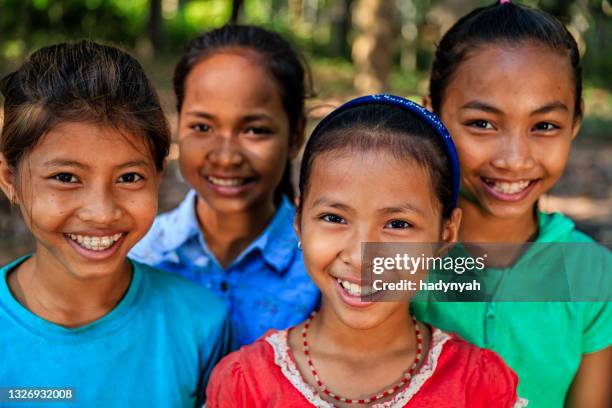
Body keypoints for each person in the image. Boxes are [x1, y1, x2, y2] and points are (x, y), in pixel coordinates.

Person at [206, 95, 527, 407]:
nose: (362, 258)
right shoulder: (246, 385)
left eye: (398, 224)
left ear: (446, 233)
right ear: (299, 221)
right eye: (334, 218)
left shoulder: (477, 387)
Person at [0, 41, 231, 407]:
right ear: (10, 178)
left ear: (158, 176)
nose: (102, 212)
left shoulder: (200, 323)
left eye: (128, 178)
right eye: (65, 177)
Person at [413, 2, 612, 407]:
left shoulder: (591, 273)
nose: (514, 159)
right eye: (482, 123)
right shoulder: (397, 252)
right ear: (432, 116)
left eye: (544, 126)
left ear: (574, 123)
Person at [131, 25, 320, 347]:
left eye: (255, 130)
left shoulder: (331, 264)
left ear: (296, 136)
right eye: (202, 126)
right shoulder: (138, 257)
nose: (227, 157)